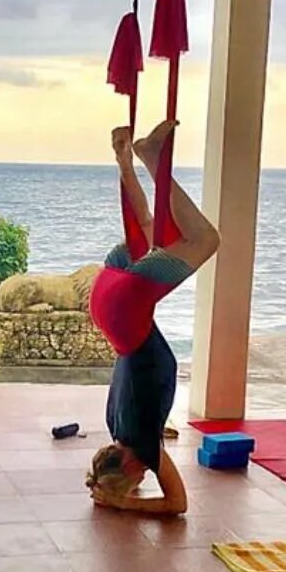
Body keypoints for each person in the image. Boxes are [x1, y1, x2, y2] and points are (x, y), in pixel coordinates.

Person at [86, 121, 220, 516]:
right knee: (149, 229)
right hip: (107, 304)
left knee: (205, 241)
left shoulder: (143, 445)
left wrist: (124, 504)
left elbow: (177, 505)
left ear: (128, 466)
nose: (144, 479)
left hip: (125, 310)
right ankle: (127, 159)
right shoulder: (116, 423)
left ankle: (150, 156)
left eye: (136, 480)